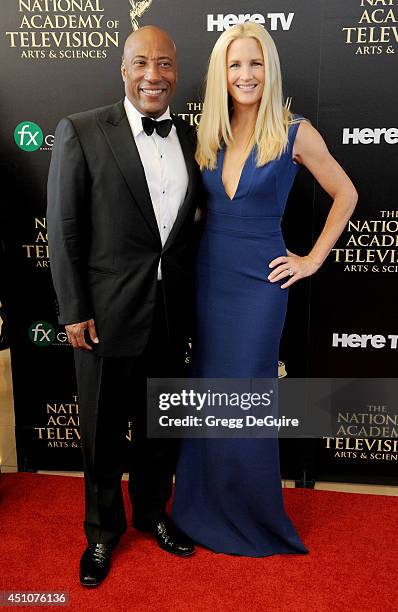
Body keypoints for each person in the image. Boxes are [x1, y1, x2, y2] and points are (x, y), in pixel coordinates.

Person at [172, 22, 358, 557]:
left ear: (269, 69)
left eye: (255, 64)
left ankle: (252, 518)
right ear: (221, 73)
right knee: (208, 394)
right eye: (235, 65)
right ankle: (197, 509)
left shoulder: (295, 131)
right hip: (209, 278)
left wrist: (312, 259)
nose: (246, 74)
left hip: (260, 283)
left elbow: (345, 193)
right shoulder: (213, 131)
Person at [47, 26, 200, 587]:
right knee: (103, 432)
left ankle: (155, 514)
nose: (153, 75)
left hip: (170, 314)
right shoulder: (82, 131)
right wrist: (73, 310)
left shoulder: (189, 138)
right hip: (105, 318)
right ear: (123, 69)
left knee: (161, 427)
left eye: (163, 64)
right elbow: (63, 231)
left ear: (176, 71)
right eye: (141, 63)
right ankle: (103, 533)